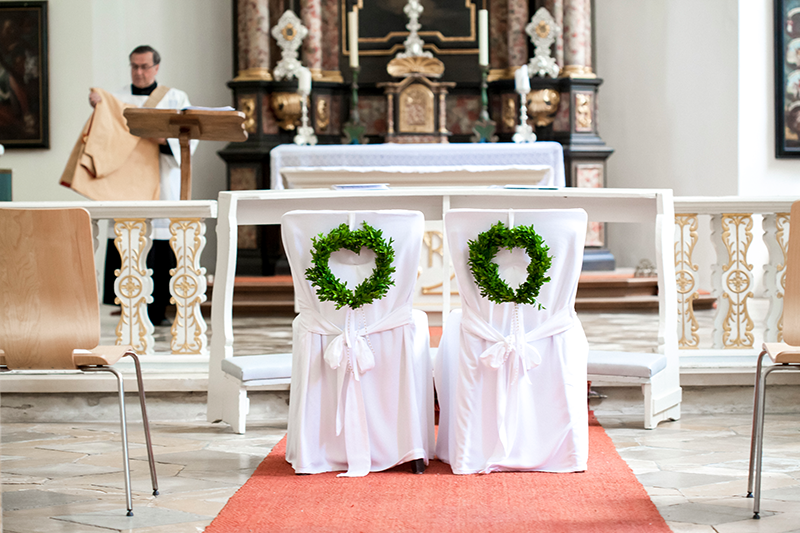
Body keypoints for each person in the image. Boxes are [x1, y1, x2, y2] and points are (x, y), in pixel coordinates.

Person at [92, 45, 198, 325]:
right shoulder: (117, 98)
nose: (139, 72)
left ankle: (160, 309)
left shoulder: (175, 98)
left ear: (156, 68)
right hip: (128, 182)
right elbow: (104, 136)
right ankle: (126, 306)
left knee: (161, 244)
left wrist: (160, 137)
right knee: (128, 241)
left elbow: (187, 139)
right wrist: (99, 105)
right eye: (134, 66)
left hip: (163, 181)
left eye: (144, 67)